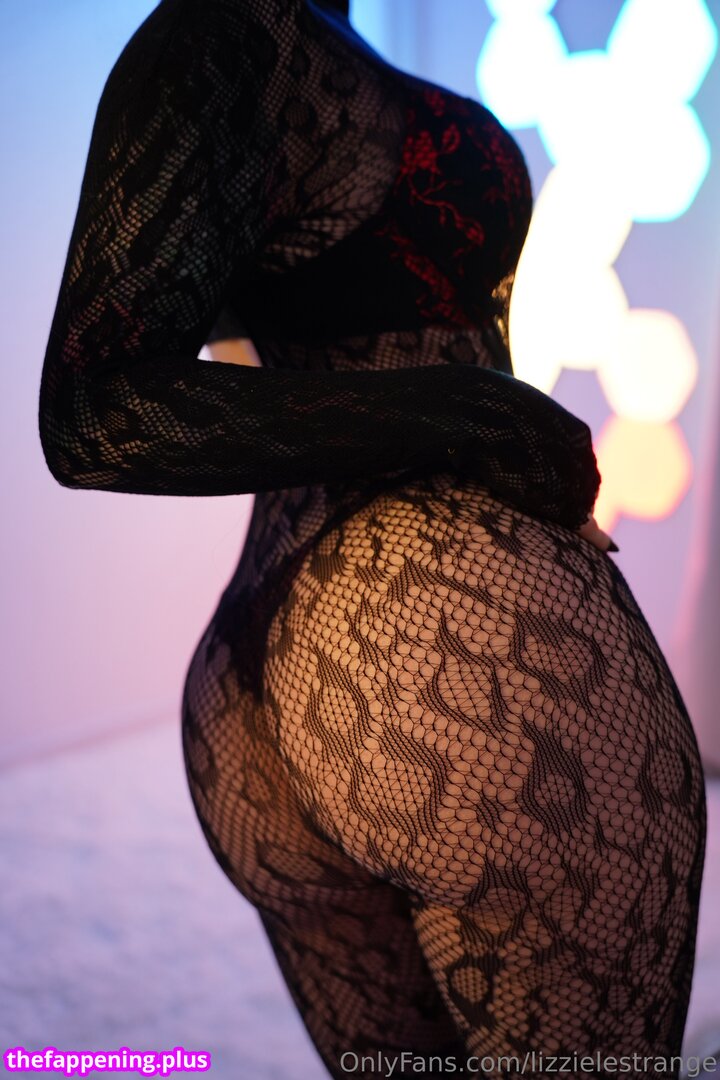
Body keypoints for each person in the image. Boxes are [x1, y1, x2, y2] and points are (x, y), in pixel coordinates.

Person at [38, 1, 706, 1077]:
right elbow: (96, 410)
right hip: (456, 652)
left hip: (265, 673)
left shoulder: (305, 44)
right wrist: (480, 413)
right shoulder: (241, 33)